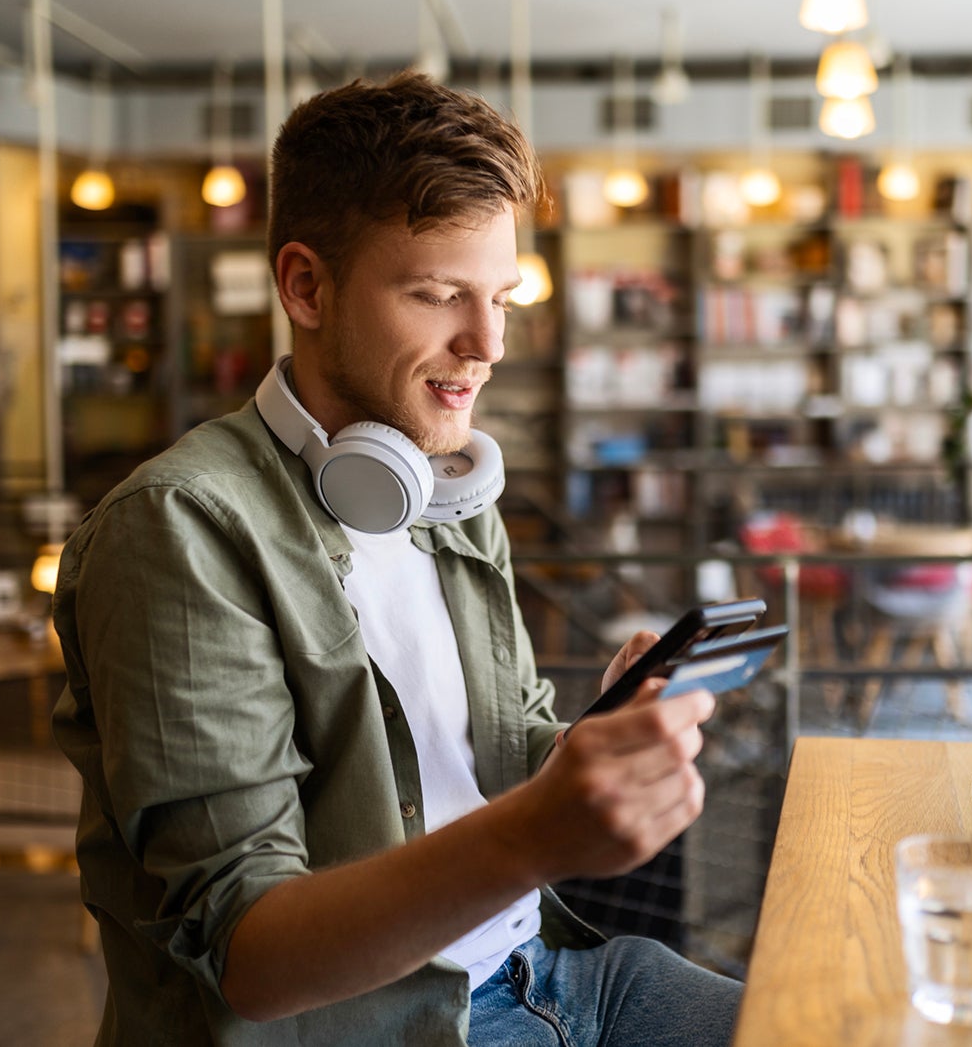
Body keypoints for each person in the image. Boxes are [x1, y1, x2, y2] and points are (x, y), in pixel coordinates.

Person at [50, 71, 743, 1046]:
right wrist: (539, 831)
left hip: (541, 968)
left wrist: (582, 752)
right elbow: (253, 953)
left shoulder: (446, 491)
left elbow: (484, 763)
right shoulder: (178, 530)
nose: (488, 341)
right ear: (305, 285)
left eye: (499, 296)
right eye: (436, 294)